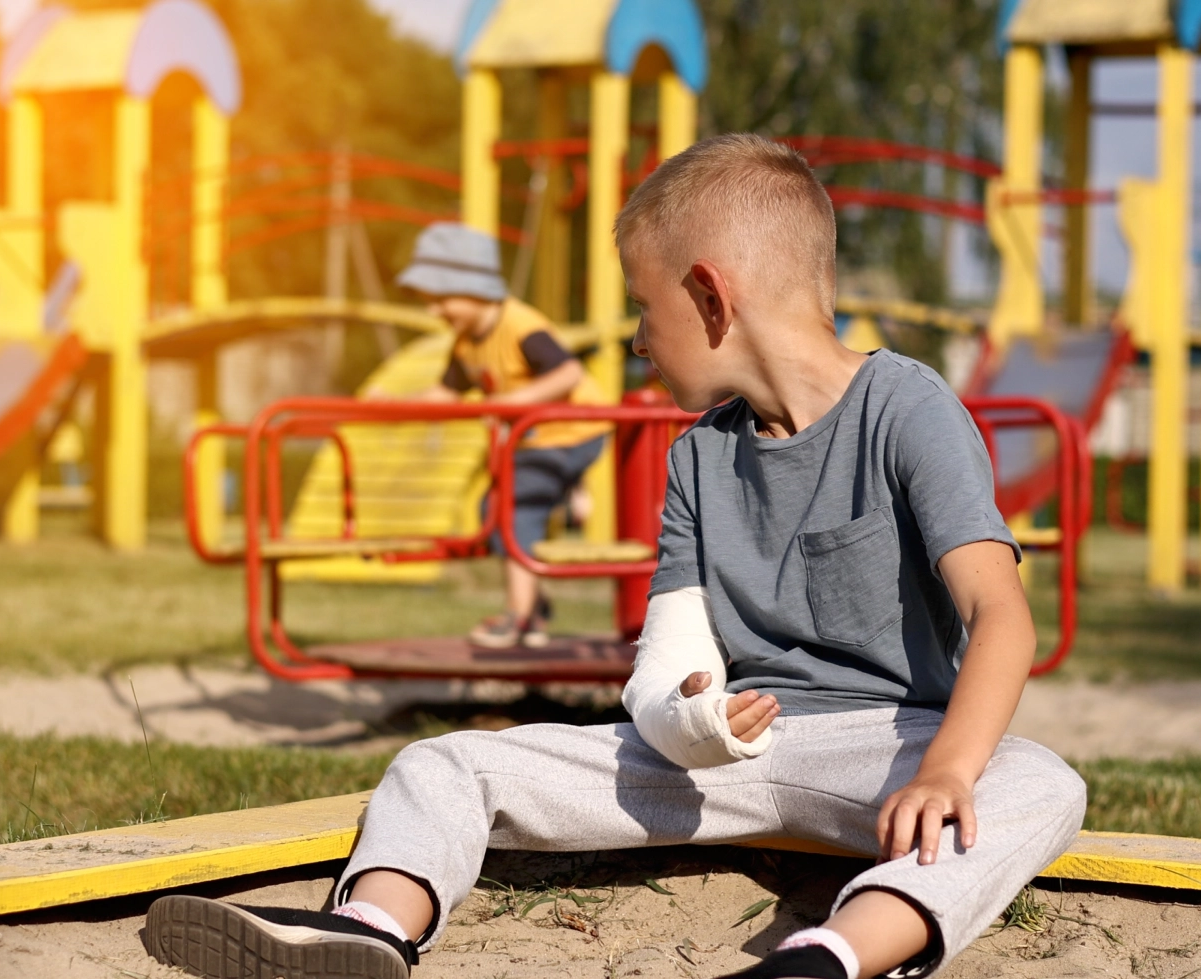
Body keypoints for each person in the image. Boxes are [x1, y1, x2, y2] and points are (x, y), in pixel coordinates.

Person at [142, 135, 1087, 979]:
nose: (637, 339)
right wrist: (694, 720)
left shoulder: (909, 409)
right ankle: (371, 931)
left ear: (712, 296)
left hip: (888, 749)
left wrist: (949, 769)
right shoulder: (696, 455)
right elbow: (667, 658)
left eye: (644, 307)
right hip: (712, 755)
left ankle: (828, 957)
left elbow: (1000, 614)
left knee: (1039, 781)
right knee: (447, 764)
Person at [373, 221, 612, 649]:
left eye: (441, 299)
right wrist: (391, 403)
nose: (434, 312)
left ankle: (518, 617)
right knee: (492, 507)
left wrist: (512, 403)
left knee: (513, 505)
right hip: (535, 439)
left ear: (475, 287)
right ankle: (535, 607)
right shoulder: (465, 342)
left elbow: (568, 372)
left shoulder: (520, 325)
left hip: (577, 430)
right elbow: (445, 395)